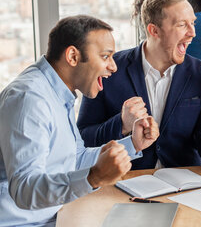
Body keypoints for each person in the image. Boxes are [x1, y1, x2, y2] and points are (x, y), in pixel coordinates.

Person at [0, 15, 159, 227]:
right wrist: (92, 178)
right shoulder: (30, 100)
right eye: (105, 56)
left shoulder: (58, 94)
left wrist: (133, 144)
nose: (113, 67)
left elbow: (75, 159)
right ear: (73, 56)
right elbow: (24, 191)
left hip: (57, 216)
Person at [77, 0, 201, 169]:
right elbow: (83, 138)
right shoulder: (110, 71)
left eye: (193, 23)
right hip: (125, 181)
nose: (193, 33)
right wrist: (121, 124)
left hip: (183, 186)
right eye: (182, 25)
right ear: (154, 30)